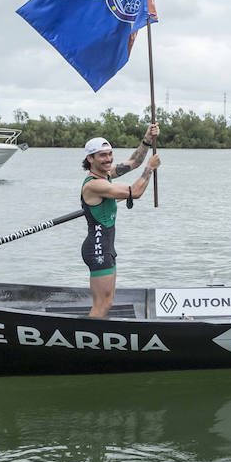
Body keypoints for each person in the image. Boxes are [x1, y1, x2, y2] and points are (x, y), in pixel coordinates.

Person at [79, 126, 162, 318]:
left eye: (110, 154)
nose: (108, 159)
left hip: (106, 247)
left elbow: (134, 161)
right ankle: (88, 340)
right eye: (102, 156)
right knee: (102, 304)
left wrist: (147, 139)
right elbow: (136, 192)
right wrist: (150, 168)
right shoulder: (95, 184)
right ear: (90, 159)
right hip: (97, 248)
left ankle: (95, 337)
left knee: (108, 301)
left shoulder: (106, 175)